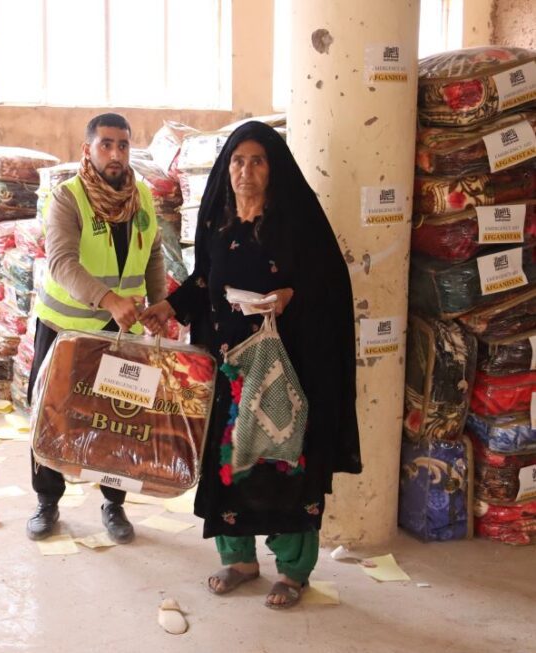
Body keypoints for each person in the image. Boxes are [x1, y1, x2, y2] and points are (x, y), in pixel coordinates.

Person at [141, 121, 361, 609]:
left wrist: (289, 296)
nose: (245, 171)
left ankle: (293, 570)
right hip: (230, 372)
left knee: (283, 462)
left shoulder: (295, 223)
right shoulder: (218, 222)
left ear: (273, 168)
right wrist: (169, 308)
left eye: (257, 161)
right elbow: (204, 280)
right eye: (238, 161)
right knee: (229, 462)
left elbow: (327, 285)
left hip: (285, 368)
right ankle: (239, 560)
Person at [26, 112, 166, 543]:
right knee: (52, 415)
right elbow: (62, 262)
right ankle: (47, 501)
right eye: (106, 144)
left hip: (122, 331)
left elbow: (154, 253)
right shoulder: (67, 198)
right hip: (66, 329)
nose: (115, 154)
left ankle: (114, 503)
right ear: (87, 150)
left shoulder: (142, 196)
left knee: (119, 419)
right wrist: (108, 299)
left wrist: (159, 304)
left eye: (123, 145)